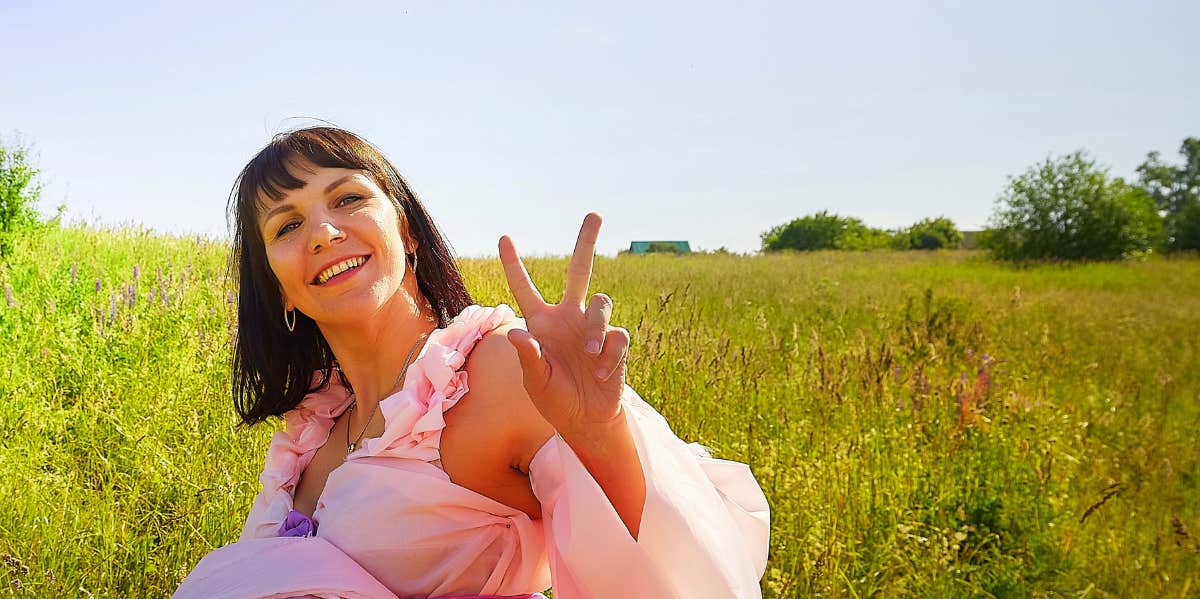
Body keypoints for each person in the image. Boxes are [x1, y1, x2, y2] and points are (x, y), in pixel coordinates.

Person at [175, 126, 770, 599]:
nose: (325, 233)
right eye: (288, 224)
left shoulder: (494, 368)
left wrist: (600, 435)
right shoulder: (316, 429)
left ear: (405, 230)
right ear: (276, 285)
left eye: (349, 198)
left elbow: (680, 573)